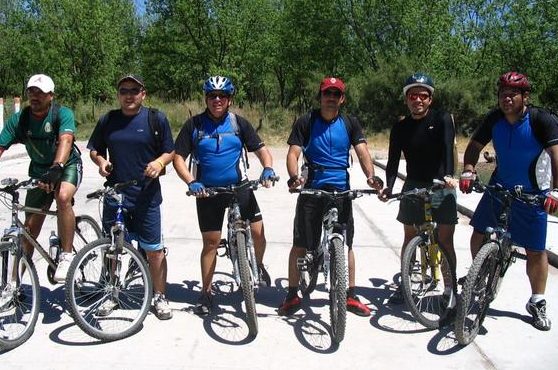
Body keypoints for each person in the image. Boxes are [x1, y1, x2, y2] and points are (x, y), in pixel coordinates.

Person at [459, 71, 558, 331]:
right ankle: (481, 274)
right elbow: (474, 146)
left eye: (512, 94)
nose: (506, 98)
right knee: (478, 232)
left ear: (524, 97)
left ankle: (537, 301)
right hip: (499, 186)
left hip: (533, 192)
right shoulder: (494, 118)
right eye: (502, 94)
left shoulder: (541, 120)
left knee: (535, 250)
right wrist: (468, 170)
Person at [279, 77, 382, 317]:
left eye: (336, 94)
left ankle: (350, 295)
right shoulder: (307, 121)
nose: (331, 98)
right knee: (301, 244)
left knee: (346, 243)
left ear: (342, 99)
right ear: (320, 96)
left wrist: (371, 177)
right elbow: (293, 153)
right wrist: (294, 177)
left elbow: (363, 151)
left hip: (341, 189)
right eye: (327, 94)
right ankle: (292, 295)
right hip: (313, 188)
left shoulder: (349, 123)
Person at [173, 76, 276, 315]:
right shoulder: (194, 125)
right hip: (208, 192)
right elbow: (179, 158)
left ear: (229, 99)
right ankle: (206, 293)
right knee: (210, 243)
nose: (217, 100)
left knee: (259, 234)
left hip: (240, 187)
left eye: (222, 96)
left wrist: (268, 167)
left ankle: (258, 266)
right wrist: (192, 181)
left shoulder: (239, 123)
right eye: (212, 96)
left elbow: (261, 150)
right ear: (206, 99)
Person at [0, 74, 82, 282]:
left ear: (51, 96)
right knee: (28, 230)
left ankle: (67, 254)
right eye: (31, 92)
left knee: (63, 197)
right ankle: (15, 285)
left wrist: (57, 167)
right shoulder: (20, 119)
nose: (35, 96)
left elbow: (66, 140)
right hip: (39, 171)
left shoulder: (62, 114)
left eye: (40, 92)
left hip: (67, 166)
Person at [87, 74, 175, 320]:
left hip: (146, 197)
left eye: (134, 90)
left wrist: (159, 162)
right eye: (124, 90)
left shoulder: (155, 119)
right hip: (115, 196)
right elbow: (94, 148)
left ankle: (159, 296)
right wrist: (101, 161)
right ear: (118, 94)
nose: (128, 95)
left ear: (143, 94)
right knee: (112, 249)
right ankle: (112, 293)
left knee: (154, 251)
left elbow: (170, 150)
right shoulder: (108, 120)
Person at [380, 73, 458, 306]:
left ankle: (450, 289)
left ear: (430, 99)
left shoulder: (442, 118)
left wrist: (449, 177)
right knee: (409, 237)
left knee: (445, 240)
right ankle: (406, 285)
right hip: (413, 183)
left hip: (441, 184)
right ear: (406, 99)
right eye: (413, 95)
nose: (418, 100)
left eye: (423, 96)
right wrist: (388, 187)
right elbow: (393, 161)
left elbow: (447, 148)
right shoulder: (400, 128)